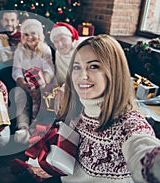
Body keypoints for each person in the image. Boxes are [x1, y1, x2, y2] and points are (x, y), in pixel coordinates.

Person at [14, 35, 160, 182]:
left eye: (94, 66)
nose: (82, 75)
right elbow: (71, 163)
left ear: (114, 72)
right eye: (77, 67)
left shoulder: (130, 124)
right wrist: (51, 167)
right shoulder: (78, 110)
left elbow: (144, 151)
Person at [12, 19, 54, 144]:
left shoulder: (45, 49)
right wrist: (24, 84)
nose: (30, 37)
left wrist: (41, 83)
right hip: (24, 82)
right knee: (20, 96)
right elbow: (16, 71)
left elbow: (49, 70)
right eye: (26, 34)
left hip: (41, 82)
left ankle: (35, 127)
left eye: (33, 34)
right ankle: (23, 127)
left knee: (39, 96)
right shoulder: (19, 51)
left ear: (39, 35)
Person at [50, 22, 79, 86]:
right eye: (55, 41)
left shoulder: (81, 50)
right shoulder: (58, 53)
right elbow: (59, 80)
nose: (60, 45)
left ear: (71, 38)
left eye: (62, 39)